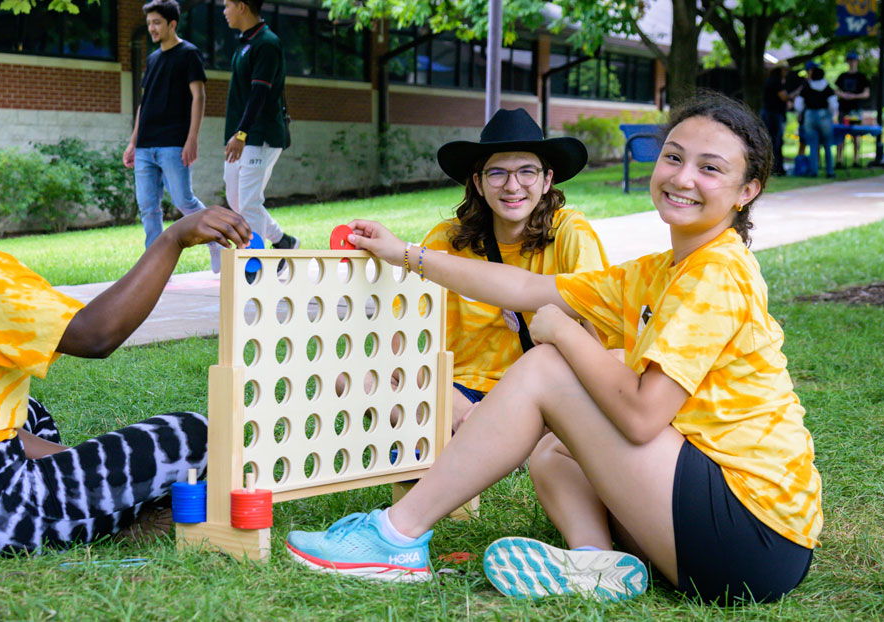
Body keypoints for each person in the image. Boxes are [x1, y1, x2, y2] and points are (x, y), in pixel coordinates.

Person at [286, 92, 822, 605]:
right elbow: (523, 288)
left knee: (547, 367)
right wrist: (404, 254)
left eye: (710, 168)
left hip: (752, 534)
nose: (682, 177)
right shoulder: (667, 267)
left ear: (746, 190)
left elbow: (640, 417)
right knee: (554, 451)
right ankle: (596, 565)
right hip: (734, 533)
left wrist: (562, 334)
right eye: (673, 157)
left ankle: (394, 538)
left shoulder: (716, 273)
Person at [0, 100, 251, 555]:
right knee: (197, 435)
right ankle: (105, 514)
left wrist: (88, 469)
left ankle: (89, 500)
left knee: (29, 409)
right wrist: (173, 238)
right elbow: (96, 334)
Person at [423, 107, 608, 431]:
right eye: (497, 173)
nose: (512, 186)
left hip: (535, 392)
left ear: (547, 179)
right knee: (350, 376)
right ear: (478, 183)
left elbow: (600, 336)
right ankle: (474, 426)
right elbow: (405, 339)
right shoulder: (445, 240)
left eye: (527, 171)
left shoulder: (570, 232)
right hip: (452, 389)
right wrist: (454, 403)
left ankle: (478, 431)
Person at [123, 0, 222, 270]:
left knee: (183, 200)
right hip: (145, 146)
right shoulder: (153, 58)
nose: (152, 28)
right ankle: (153, 267)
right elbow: (145, 102)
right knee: (148, 208)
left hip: (173, 143)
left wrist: (192, 138)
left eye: (157, 23)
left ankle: (216, 239)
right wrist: (133, 142)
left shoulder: (188, 53)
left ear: (172, 24)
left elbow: (198, 96)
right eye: (149, 24)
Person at [221, 0, 298, 251]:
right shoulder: (247, 42)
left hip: (259, 136)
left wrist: (242, 134)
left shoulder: (267, 43)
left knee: (249, 202)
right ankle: (282, 241)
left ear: (241, 6)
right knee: (237, 201)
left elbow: (259, 94)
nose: (224, 11)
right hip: (240, 136)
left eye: (227, 5)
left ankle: (254, 267)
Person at [795, 64, 838, 177]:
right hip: (824, 116)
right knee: (827, 144)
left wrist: (801, 113)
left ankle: (814, 170)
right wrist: (831, 115)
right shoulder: (827, 87)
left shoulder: (807, 87)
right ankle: (830, 171)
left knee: (813, 145)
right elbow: (833, 104)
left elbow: (798, 104)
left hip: (809, 115)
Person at [835, 50, 871, 166]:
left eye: (853, 60)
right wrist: (843, 95)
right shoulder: (842, 76)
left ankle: (856, 159)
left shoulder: (861, 77)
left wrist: (854, 96)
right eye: (850, 60)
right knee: (841, 134)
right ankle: (839, 160)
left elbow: (866, 94)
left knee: (856, 135)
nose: (851, 63)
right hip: (843, 109)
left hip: (855, 110)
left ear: (857, 62)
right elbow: (836, 91)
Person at [761, 62, 795, 176]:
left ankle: (777, 168)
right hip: (772, 115)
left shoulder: (774, 81)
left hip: (772, 114)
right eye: (784, 70)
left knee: (775, 141)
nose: (786, 72)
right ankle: (774, 168)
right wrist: (793, 95)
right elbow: (784, 97)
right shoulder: (776, 81)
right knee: (774, 141)